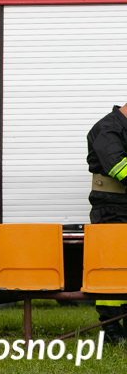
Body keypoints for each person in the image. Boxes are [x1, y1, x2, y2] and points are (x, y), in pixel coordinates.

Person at [86, 103, 127, 343]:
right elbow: (119, 167)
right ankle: (112, 329)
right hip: (111, 209)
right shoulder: (107, 129)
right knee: (111, 270)